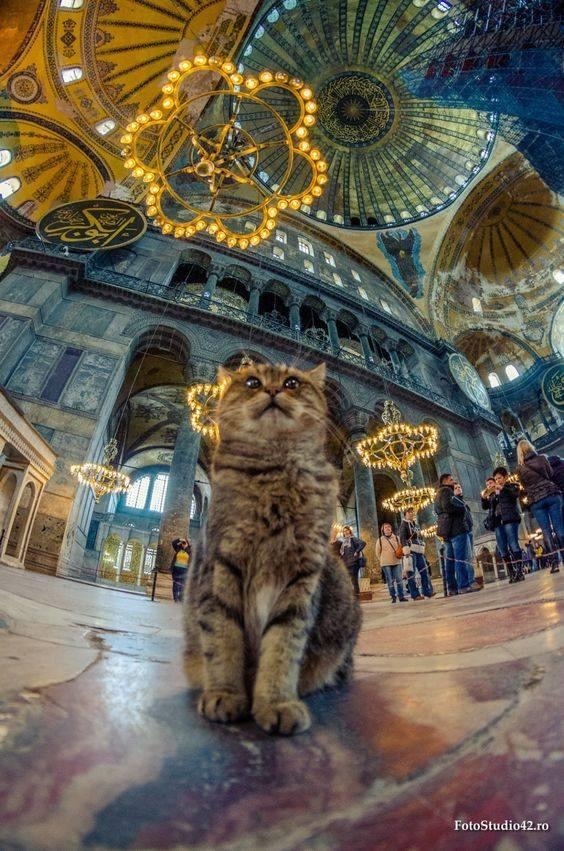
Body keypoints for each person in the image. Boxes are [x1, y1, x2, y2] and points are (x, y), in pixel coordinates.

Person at [516, 440, 563, 573]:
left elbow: (524, 486)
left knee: (546, 531)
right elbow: (550, 475)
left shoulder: (520, 468)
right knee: (559, 528)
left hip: (536, 501)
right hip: (551, 494)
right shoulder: (542, 458)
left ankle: (554, 563)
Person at [434, 473, 475, 594]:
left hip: (447, 531)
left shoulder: (437, 494)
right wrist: (462, 508)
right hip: (456, 530)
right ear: (445, 481)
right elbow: (448, 507)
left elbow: (439, 510)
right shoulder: (447, 491)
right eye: (451, 480)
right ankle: (463, 585)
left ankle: (452, 588)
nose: (453, 481)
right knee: (460, 559)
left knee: (450, 561)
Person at [482, 466, 524, 582]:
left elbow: (515, 495)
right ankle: (512, 572)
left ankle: (520, 571)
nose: (497, 481)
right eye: (496, 479)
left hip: (510, 518)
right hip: (497, 522)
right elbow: (486, 507)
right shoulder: (494, 492)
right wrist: (484, 497)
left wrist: (502, 488)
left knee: (513, 544)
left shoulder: (512, 486)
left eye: (499, 478)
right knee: (502, 549)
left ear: (505, 477)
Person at [398, 508, 435, 599]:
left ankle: (427, 591)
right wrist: (406, 550)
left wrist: (422, 544)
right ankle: (415, 594)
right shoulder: (403, 525)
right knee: (411, 573)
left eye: (412, 512)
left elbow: (419, 537)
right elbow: (402, 538)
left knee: (424, 571)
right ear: (405, 514)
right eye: (409, 512)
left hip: (419, 550)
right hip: (410, 550)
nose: (411, 514)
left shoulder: (416, 525)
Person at [375, 522, 407, 603]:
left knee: (399, 579)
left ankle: (401, 596)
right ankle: (393, 597)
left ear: (391, 529)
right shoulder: (380, 540)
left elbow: (401, 548)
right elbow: (377, 552)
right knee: (390, 580)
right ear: (383, 530)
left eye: (389, 527)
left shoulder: (396, 538)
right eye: (385, 527)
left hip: (396, 561)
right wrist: (382, 560)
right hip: (386, 563)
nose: (387, 528)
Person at [339, 525, 366, 595]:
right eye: (344, 531)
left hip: (354, 563)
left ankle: (356, 594)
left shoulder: (353, 539)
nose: (346, 532)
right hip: (347, 563)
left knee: (354, 579)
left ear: (350, 531)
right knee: (349, 579)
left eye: (347, 530)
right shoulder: (344, 542)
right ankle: (353, 594)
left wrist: (357, 551)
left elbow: (363, 543)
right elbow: (343, 553)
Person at [171, 537, 192, 602]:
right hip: (176, 570)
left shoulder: (190, 551)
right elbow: (173, 543)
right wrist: (180, 539)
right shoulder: (178, 549)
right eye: (183, 543)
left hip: (185, 571)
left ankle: (180, 598)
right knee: (175, 585)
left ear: (188, 544)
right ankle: (175, 599)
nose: (183, 544)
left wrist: (186, 546)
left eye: (185, 543)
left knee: (182, 585)